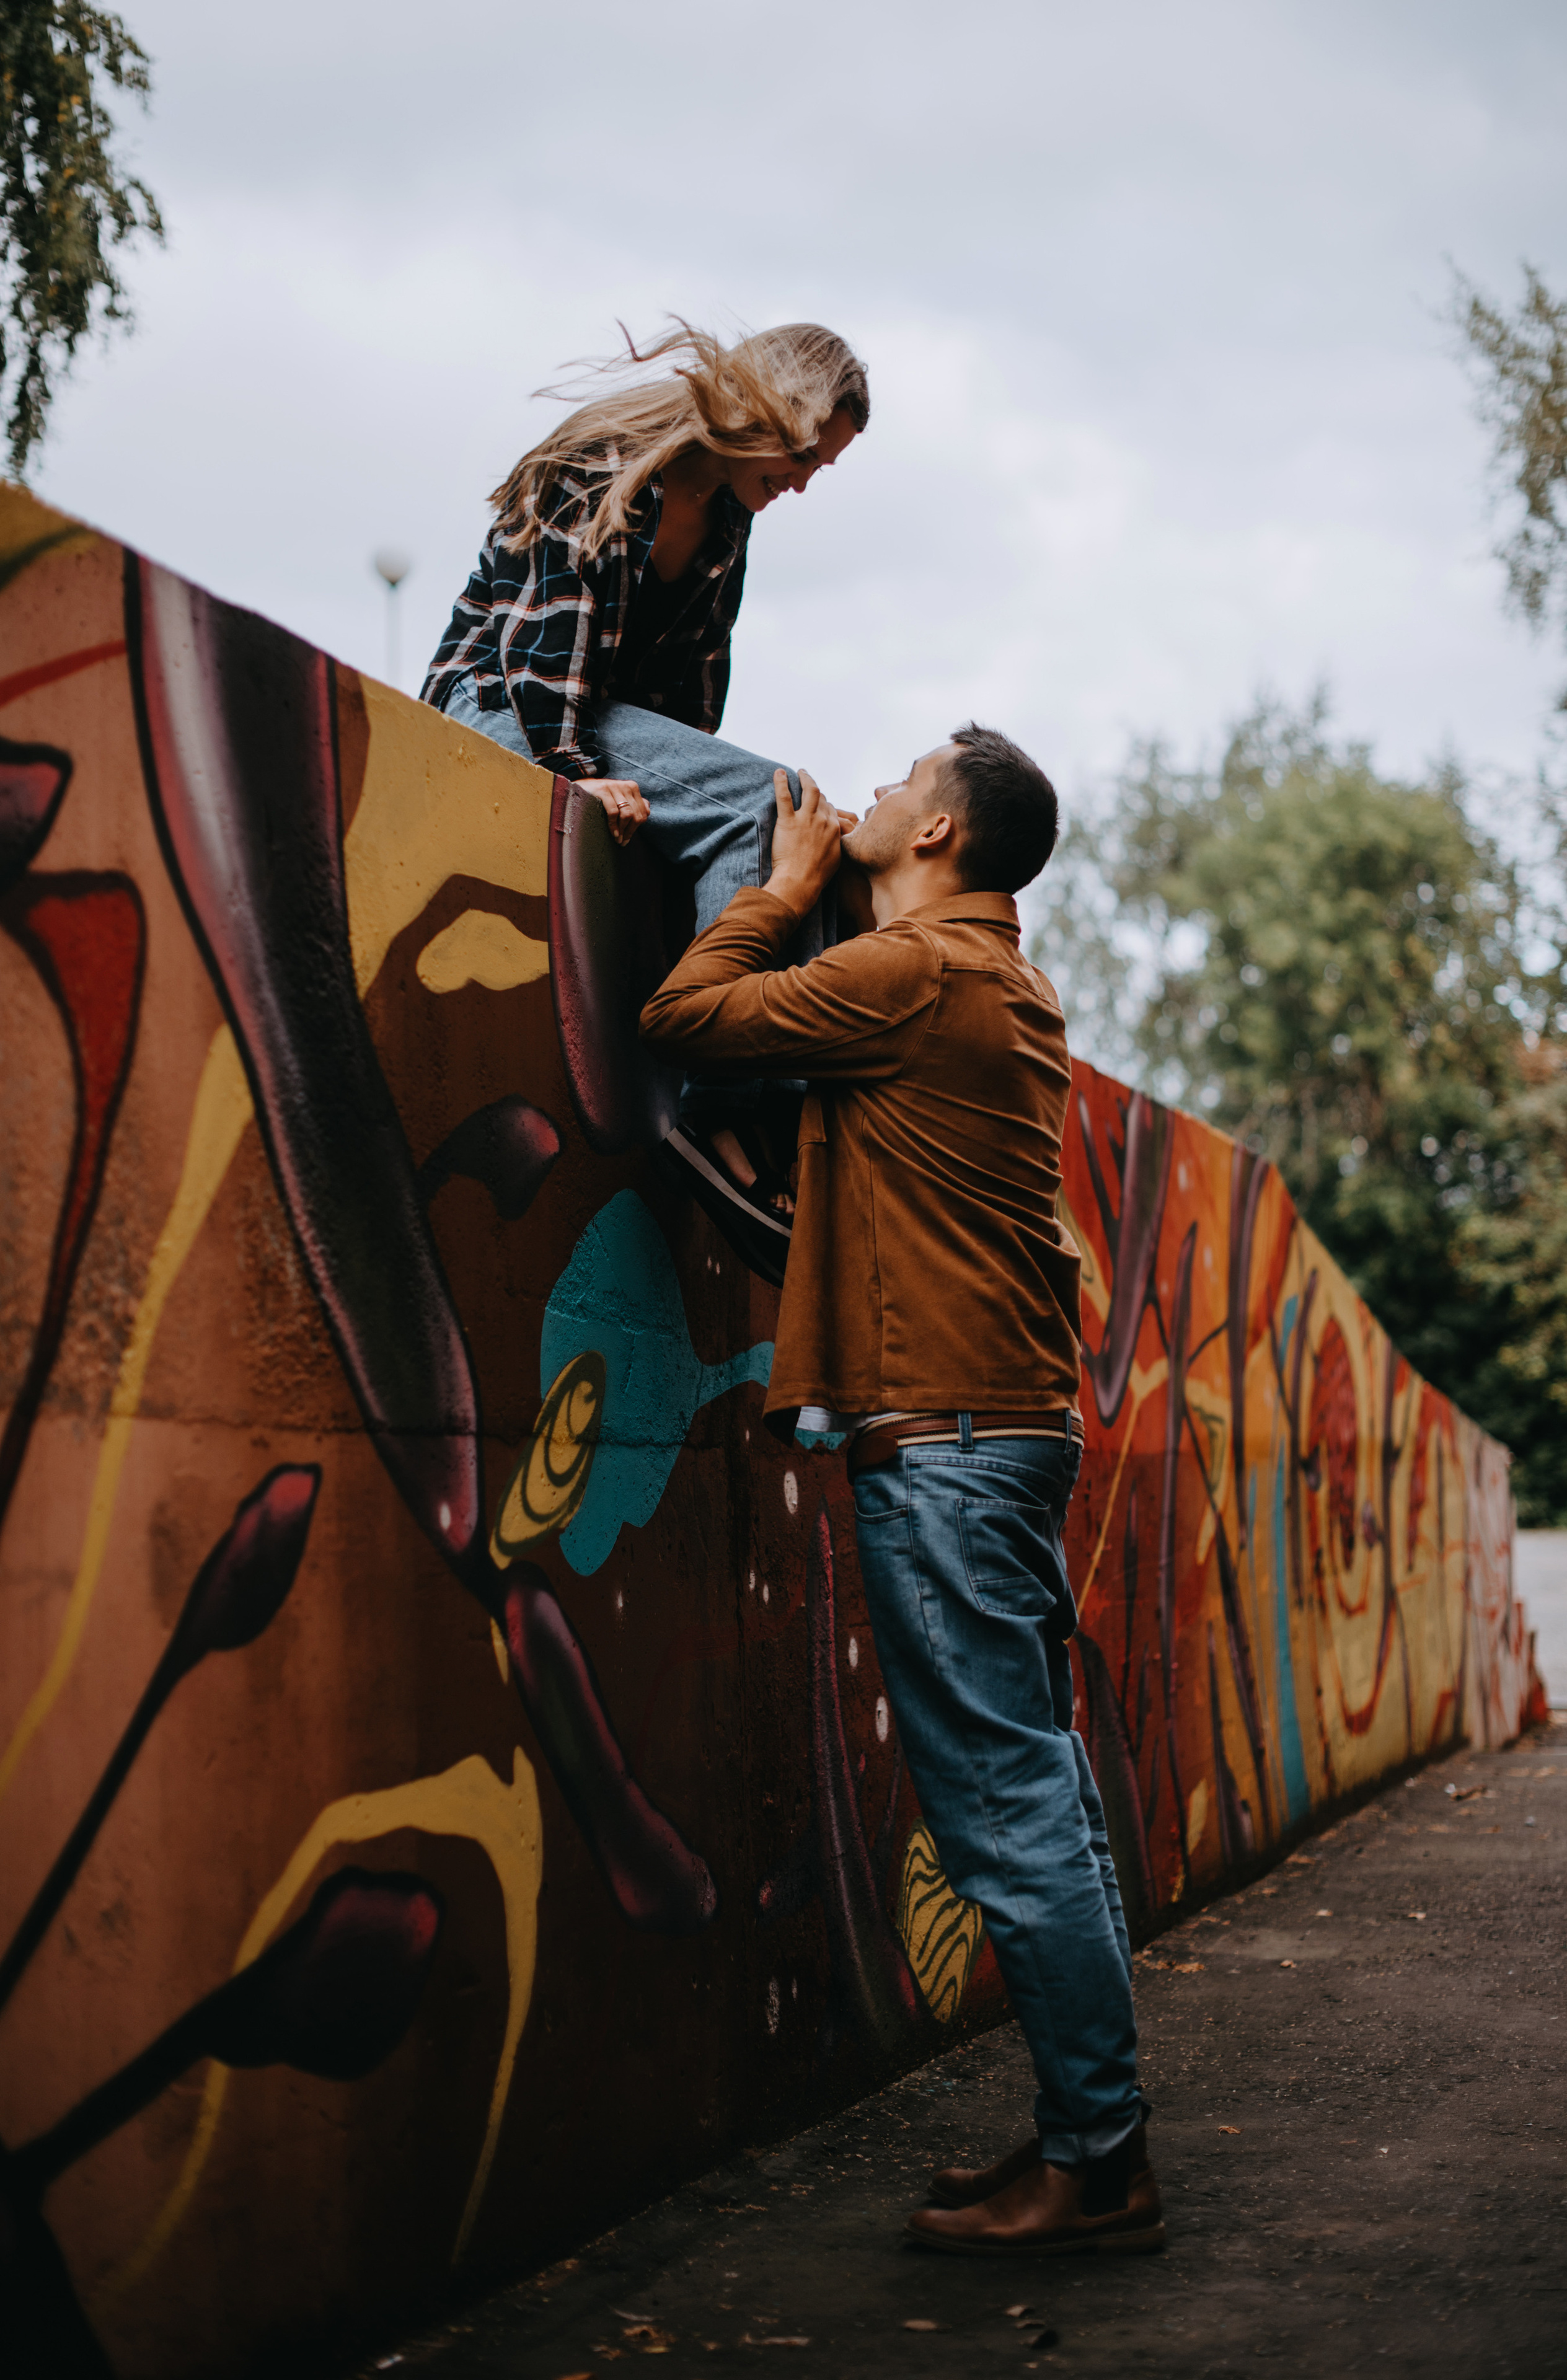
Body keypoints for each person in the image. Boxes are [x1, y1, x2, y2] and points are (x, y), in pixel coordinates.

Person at [638, 727, 1164, 2255]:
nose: (861, 797)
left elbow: (684, 1012)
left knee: (1006, 1812)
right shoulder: (986, 981)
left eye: (891, 785)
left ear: (934, 832)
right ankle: (1088, 2138)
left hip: (943, 1444)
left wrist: (780, 881)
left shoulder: (917, 978)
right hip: (991, 1433)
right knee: (1040, 1802)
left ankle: (1100, 2164)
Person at [422, 319, 868, 1280]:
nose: (802, 482)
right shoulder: (604, 464)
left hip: (593, 719)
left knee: (796, 819)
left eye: (818, 471)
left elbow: (691, 704)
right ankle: (724, 1108)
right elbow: (537, 658)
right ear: (769, 412)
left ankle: (790, 1123)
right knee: (771, 801)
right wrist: (579, 769)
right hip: (499, 707)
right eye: (803, 455)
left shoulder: (729, 523)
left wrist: (678, 804)